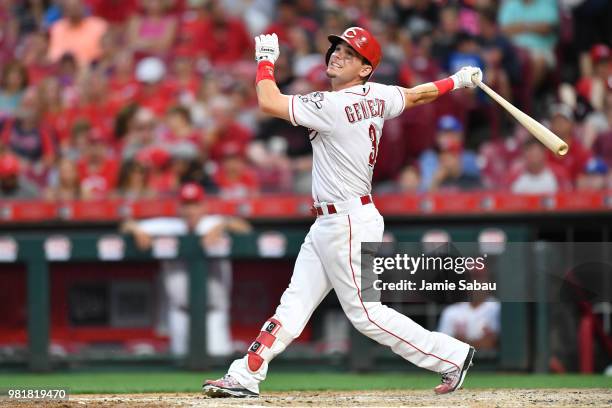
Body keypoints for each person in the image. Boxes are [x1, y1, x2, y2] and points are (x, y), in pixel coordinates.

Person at [203, 27, 480, 398]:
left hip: (347, 221)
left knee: (367, 314)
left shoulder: (331, 105)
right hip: (333, 221)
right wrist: (456, 81)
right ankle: (244, 376)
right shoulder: (379, 95)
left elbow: (269, 102)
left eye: (350, 54)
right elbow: (417, 96)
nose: (337, 54)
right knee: (295, 302)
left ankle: (452, 355)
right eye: (337, 48)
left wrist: (266, 61)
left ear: (365, 69)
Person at [120, 182, 252, 357]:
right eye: (186, 205)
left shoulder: (213, 223)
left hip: (212, 312)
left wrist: (223, 225)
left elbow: (245, 228)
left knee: (218, 361)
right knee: (180, 365)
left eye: (195, 205)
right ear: (178, 208)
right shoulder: (169, 226)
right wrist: (136, 230)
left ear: (204, 206)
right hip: (179, 313)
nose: (190, 210)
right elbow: (126, 225)